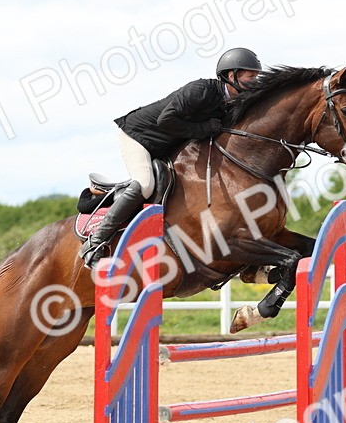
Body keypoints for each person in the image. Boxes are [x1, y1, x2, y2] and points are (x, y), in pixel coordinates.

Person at [79, 47, 264, 267]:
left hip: (167, 145)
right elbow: (165, 121)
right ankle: (96, 242)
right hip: (139, 136)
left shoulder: (232, 103)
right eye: (251, 77)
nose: (255, 82)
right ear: (232, 76)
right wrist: (205, 127)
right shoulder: (201, 90)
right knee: (145, 185)